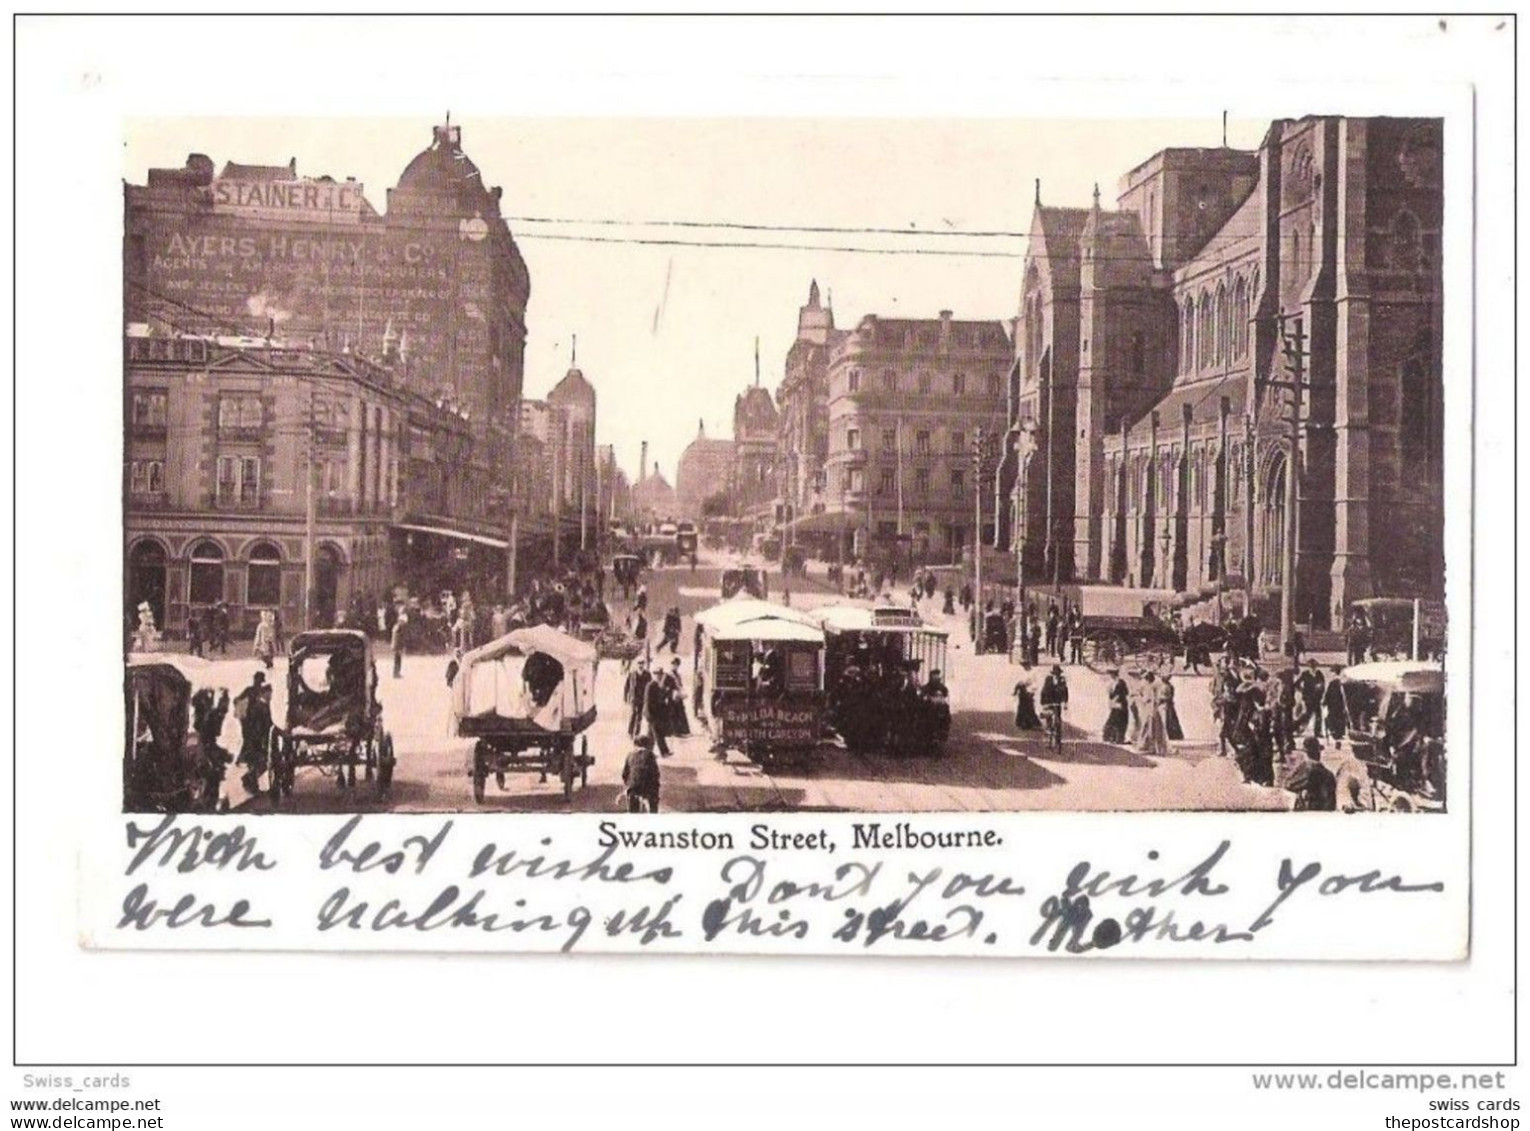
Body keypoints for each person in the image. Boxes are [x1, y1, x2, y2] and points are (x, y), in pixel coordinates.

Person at [233, 672, 273, 794]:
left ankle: (251, 781)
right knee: (259, 757)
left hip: (251, 729)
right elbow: (265, 721)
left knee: (255, 756)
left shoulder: (250, 691)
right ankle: (250, 780)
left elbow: (236, 700)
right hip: (255, 731)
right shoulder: (258, 695)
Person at [1286, 737, 1337, 811]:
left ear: (1307, 753)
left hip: (1311, 810)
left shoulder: (1306, 769)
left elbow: (1289, 785)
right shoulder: (1329, 774)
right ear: (1319, 752)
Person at [621, 735, 661, 813]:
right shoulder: (650, 755)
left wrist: (628, 785)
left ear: (635, 744)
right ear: (647, 744)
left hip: (633, 785)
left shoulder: (630, 755)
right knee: (653, 800)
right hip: (647, 785)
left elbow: (624, 773)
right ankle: (653, 813)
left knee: (633, 804)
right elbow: (655, 772)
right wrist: (656, 785)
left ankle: (633, 813)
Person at [1136, 670, 1170, 757]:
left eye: (1147, 678)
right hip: (1149, 708)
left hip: (1153, 709)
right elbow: (1141, 694)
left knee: (1153, 727)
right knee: (1148, 726)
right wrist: (1144, 699)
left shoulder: (1155, 686)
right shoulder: (1148, 686)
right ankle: (1147, 746)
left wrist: (1149, 700)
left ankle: (1153, 747)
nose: (1146, 680)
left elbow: (1156, 698)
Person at [644, 668, 673, 758]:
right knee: (658, 733)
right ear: (654, 675)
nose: (659, 677)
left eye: (660, 675)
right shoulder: (650, 685)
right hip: (652, 713)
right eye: (657, 675)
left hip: (656, 713)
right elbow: (647, 701)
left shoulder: (658, 686)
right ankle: (664, 752)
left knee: (651, 734)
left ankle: (648, 752)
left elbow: (661, 699)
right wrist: (649, 715)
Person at [1038, 664, 1069, 746]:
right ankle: (1048, 735)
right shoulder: (1048, 679)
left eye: (1058, 673)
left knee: (1058, 720)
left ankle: (1058, 740)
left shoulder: (1062, 680)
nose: (1057, 675)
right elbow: (1044, 691)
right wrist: (1043, 703)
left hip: (1057, 702)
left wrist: (1065, 702)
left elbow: (1065, 691)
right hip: (1049, 701)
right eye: (1055, 673)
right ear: (1053, 673)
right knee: (1049, 718)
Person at [1295, 659, 1325, 736]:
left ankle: (1317, 732)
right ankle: (1295, 726)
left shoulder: (1319, 674)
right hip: (1308, 698)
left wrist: (1320, 688)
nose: (1313, 668)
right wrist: (1302, 691)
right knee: (1307, 715)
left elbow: (1323, 684)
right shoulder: (1305, 674)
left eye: (1314, 666)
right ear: (1308, 667)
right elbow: (1296, 684)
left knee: (1318, 715)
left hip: (1317, 698)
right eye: (1311, 666)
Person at [1102, 668, 1130, 744]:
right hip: (1115, 705)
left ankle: (1118, 738)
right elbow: (1111, 694)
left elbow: (1122, 693)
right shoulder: (1113, 683)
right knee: (1114, 721)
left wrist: (1113, 701)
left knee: (1119, 721)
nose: (1110, 676)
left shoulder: (1120, 682)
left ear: (1114, 674)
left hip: (1120, 705)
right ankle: (1113, 737)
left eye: (1111, 674)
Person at [625, 661, 651, 738]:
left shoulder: (647, 674)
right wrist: (626, 697)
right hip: (634, 698)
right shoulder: (632, 674)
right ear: (637, 665)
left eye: (642, 664)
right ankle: (630, 732)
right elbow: (627, 686)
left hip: (642, 698)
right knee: (633, 714)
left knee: (639, 716)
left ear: (644, 665)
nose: (640, 666)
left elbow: (650, 687)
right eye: (639, 664)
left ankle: (637, 733)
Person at [1011, 663, 1041, 731]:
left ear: (1028, 665)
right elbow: (1020, 682)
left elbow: (1034, 683)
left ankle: (1033, 724)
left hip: (1028, 691)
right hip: (1022, 691)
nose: (1024, 667)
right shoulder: (1024, 672)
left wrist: (1031, 691)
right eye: (1023, 666)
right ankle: (1023, 724)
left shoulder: (1032, 673)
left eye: (1025, 666)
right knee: (1022, 707)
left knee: (1029, 707)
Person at [1323, 666, 1348, 742]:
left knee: (1335, 718)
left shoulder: (1334, 682)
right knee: (1339, 718)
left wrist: (1325, 702)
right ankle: (1339, 733)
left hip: (1334, 703)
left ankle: (1336, 733)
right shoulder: (1340, 681)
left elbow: (1328, 693)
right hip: (1337, 704)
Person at [1162, 674, 1184, 742]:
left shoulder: (1170, 686)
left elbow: (1170, 696)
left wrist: (1164, 699)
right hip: (1165, 704)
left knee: (1170, 719)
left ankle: (1172, 734)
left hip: (1168, 704)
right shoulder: (1162, 686)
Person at [390, 607, 408, 679]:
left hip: (396, 644)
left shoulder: (397, 625)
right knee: (398, 659)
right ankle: (396, 673)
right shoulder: (401, 625)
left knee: (397, 659)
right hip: (398, 644)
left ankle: (396, 672)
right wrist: (401, 645)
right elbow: (401, 636)